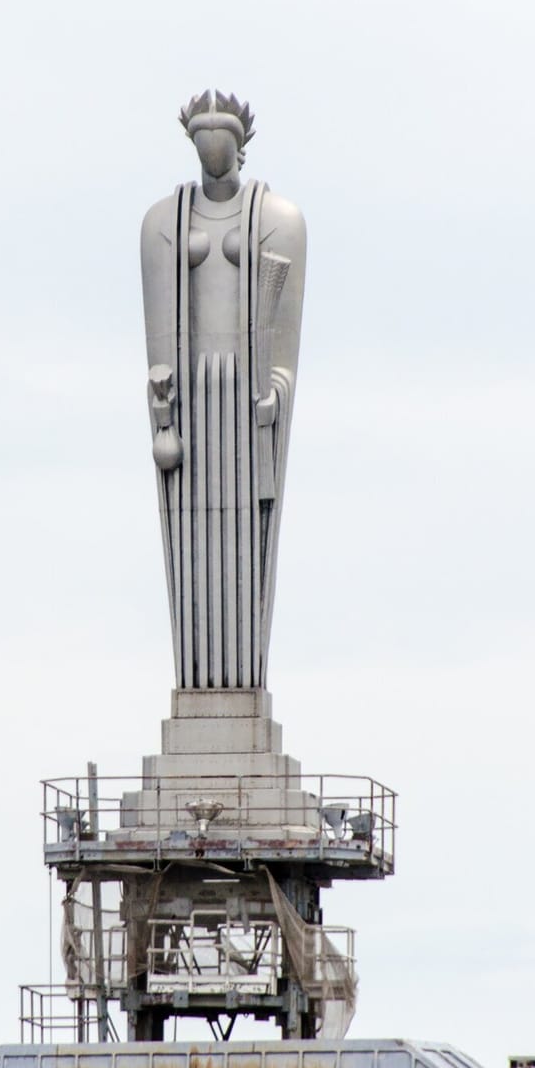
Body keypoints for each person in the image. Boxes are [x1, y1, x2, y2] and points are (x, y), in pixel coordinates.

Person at [141, 91, 306, 690]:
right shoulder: (163, 222)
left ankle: (240, 680)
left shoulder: (279, 218)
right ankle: (197, 681)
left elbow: (285, 346)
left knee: (244, 541)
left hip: (244, 397)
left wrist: (275, 393)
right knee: (190, 539)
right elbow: (158, 336)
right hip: (193, 395)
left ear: (241, 145)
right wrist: (162, 412)